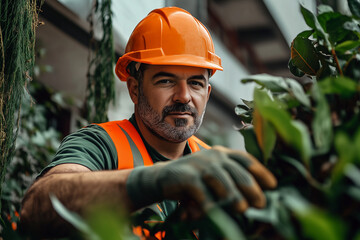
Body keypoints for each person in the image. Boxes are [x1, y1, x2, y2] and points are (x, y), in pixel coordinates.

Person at [20, 6, 277, 239]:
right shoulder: (99, 145)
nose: (184, 96)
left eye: (196, 83)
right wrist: (156, 181)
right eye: (165, 80)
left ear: (207, 94)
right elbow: (38, 208)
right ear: (134, 89)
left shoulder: (211, 164)